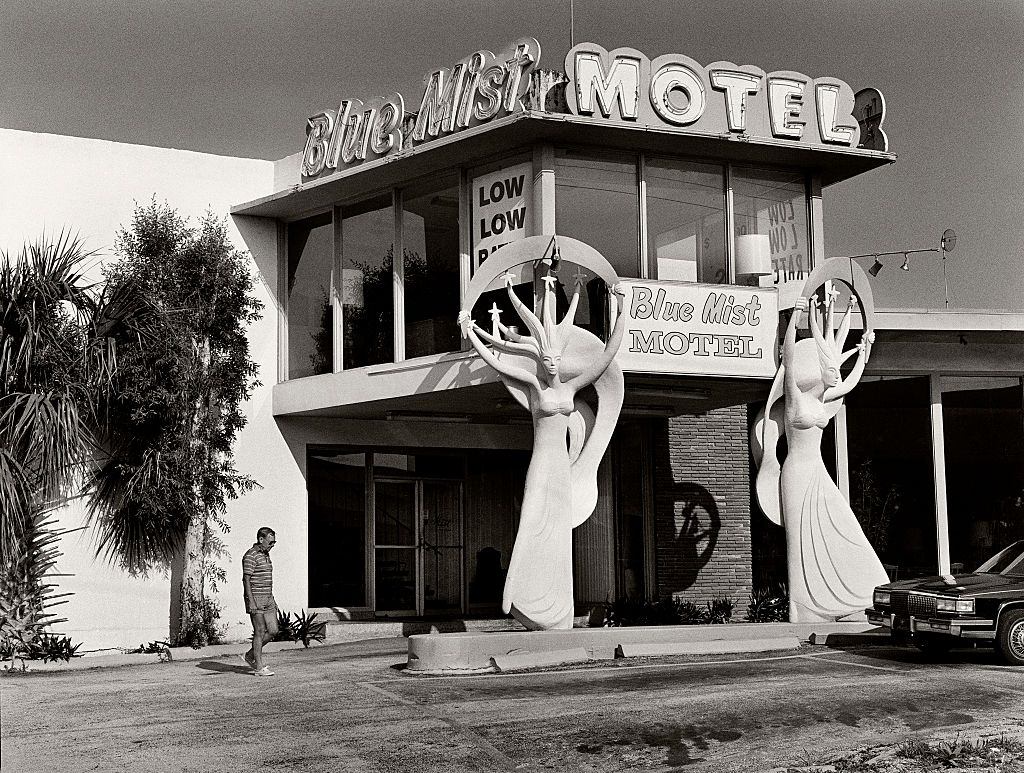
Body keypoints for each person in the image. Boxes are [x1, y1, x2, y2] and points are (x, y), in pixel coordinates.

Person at [459, 270, 625, 630]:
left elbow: (605, 357)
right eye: (545, 359)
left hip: (562, 471)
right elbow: (499, 361)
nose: (550, 364)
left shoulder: (571, 387)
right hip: (542, 462)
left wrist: (623, 309)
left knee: (559, 536)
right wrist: (472, 332)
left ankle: (555, 611)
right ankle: (515, 591)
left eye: (555, 359)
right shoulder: (534, 385)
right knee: (532, 516)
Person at [754, 289, 888, 621]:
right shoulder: (796, 398)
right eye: (829, 366)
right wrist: (796, 320)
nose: (835, 372)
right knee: (800, 541)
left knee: (842, 525)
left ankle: (857, 594)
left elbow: (851, 381)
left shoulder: (825, 400)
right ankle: (803, 607)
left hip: (817, 470)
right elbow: (788, 354)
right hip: (795, 473)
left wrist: (866, 349)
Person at [241, 527, 278, 676]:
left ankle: (250, 655)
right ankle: (259, 667)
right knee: (260, 631)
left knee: (274, 630)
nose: (272, 545)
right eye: (270, 542)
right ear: (261, 539)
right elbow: (246, 580)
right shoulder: (251, 555)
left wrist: (272, 599)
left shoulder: (266, 555)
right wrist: (250, 601)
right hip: (255, 597)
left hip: (268, 597)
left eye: (274, 542)